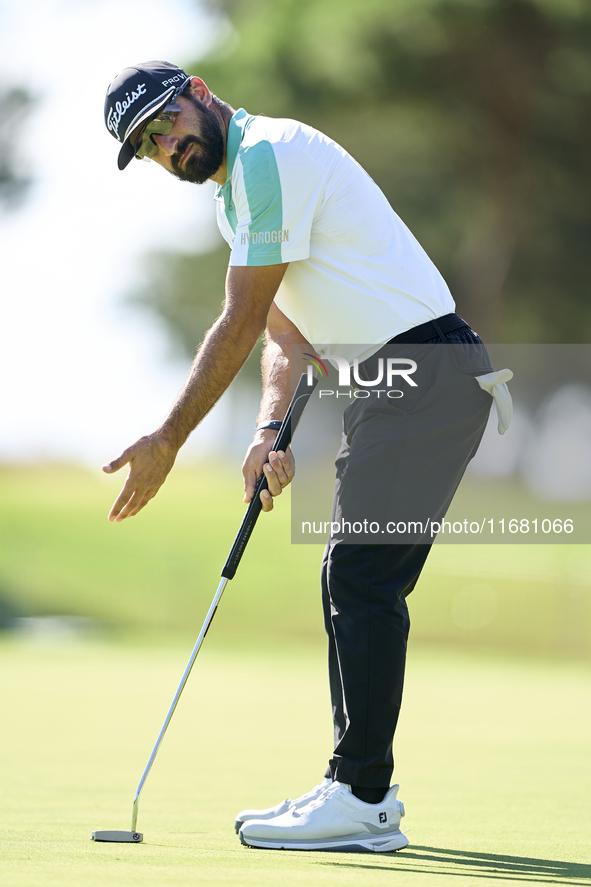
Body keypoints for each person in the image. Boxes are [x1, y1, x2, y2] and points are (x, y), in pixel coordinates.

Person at [103, 60, 506, 853]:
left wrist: (167, 439)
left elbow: (240, 316)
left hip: (426, 369)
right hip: (396, 384)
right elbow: (285, 334)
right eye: (147, 145)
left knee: (358, 575)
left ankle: (362, 795)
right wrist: (264, 434)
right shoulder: (238, 196)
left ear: (200, 94)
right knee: (351, 572)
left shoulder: (268, 157)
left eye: (165, 122)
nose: (165, 146)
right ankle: (355, 787)